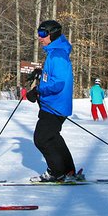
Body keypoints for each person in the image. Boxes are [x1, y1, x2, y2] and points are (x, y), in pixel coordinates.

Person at [26, 19, 81, 182]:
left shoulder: (57, 55)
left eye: (43, 34)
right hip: (54, 104)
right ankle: (68, 170)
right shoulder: (56, 52)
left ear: (53, 34)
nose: (39, 37)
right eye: (38, 33)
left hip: (54, 105)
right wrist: (41, 73)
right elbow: (54, 76)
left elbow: (58, 83)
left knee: (42, 138)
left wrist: (38, 90)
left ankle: (56, 172)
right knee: (53, 137)